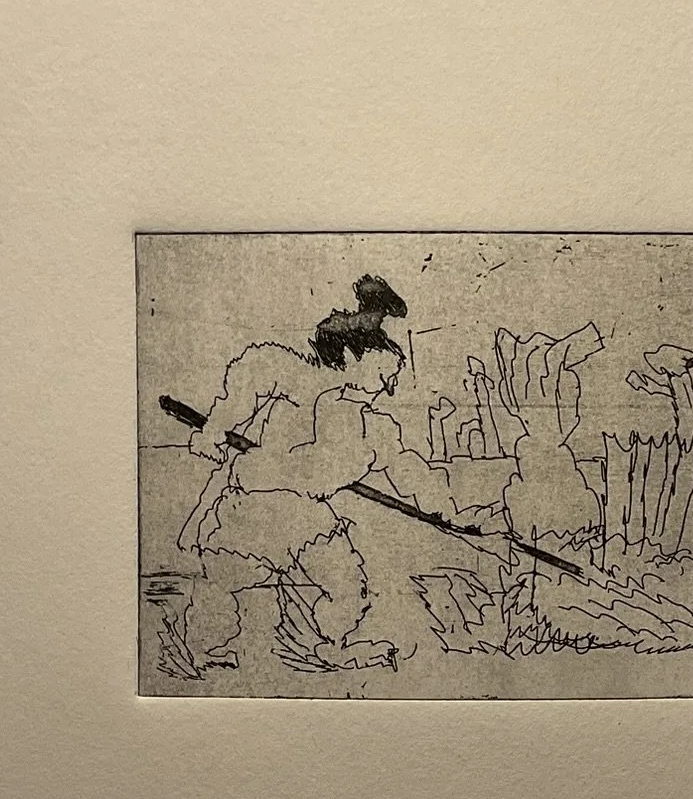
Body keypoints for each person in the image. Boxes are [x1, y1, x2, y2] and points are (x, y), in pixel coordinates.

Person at [174, 278, 472, 673]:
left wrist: (446, 511)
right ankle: (201, 649)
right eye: (384, 372)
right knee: (226, 576)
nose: (388, 388)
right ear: (353, 358)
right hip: (254, 505)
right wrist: (213, 431)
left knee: (347, 585)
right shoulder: (302, 378)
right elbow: (254, 371)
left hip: (306, 515)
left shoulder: (368, 423)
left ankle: (333, 645)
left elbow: (405, 467)